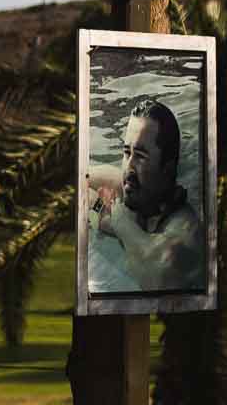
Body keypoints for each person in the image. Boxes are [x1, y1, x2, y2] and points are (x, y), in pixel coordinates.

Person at [86, 97, 204, 292]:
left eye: (140, 156)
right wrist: (102, 216)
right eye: (126, 152)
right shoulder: (130, 185)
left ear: (167, 169)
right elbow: (80, 179)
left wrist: (121, 224)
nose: (128, 166)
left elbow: (160, 277)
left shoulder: (186, 229)